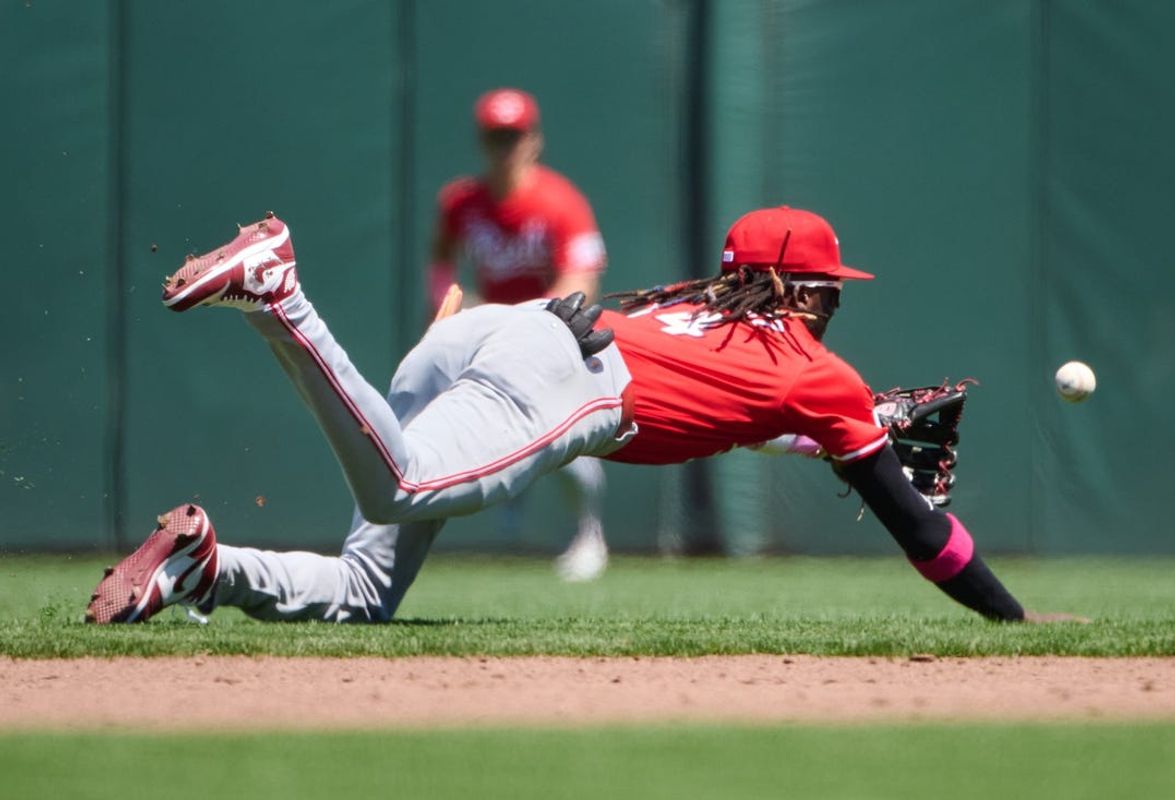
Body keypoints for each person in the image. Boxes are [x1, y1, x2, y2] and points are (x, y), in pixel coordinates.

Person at [86, 207, 1080, 625]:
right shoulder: (819, 372)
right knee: (398, 486)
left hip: (485, 331)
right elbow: (920, 529)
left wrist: (846, 431)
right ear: (792, 286)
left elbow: (725, 405)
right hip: (569, 379)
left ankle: (202, 566)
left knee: (362, 588)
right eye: (825, 288)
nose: (833, 302)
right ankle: (280, 293)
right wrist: (1013, 615)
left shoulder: (687, 308)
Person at [429, 88, 609, 581]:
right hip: (488, 334)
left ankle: (588, 533)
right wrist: (453, 306)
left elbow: (581, 277)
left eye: (514, 135)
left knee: (565, 448)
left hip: (549, 332)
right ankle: (511, 489)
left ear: (534, 140)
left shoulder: (559, 201)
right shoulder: (462, 201)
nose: (504, 146)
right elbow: (440, 261)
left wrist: (536, 323)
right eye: (495, 136)